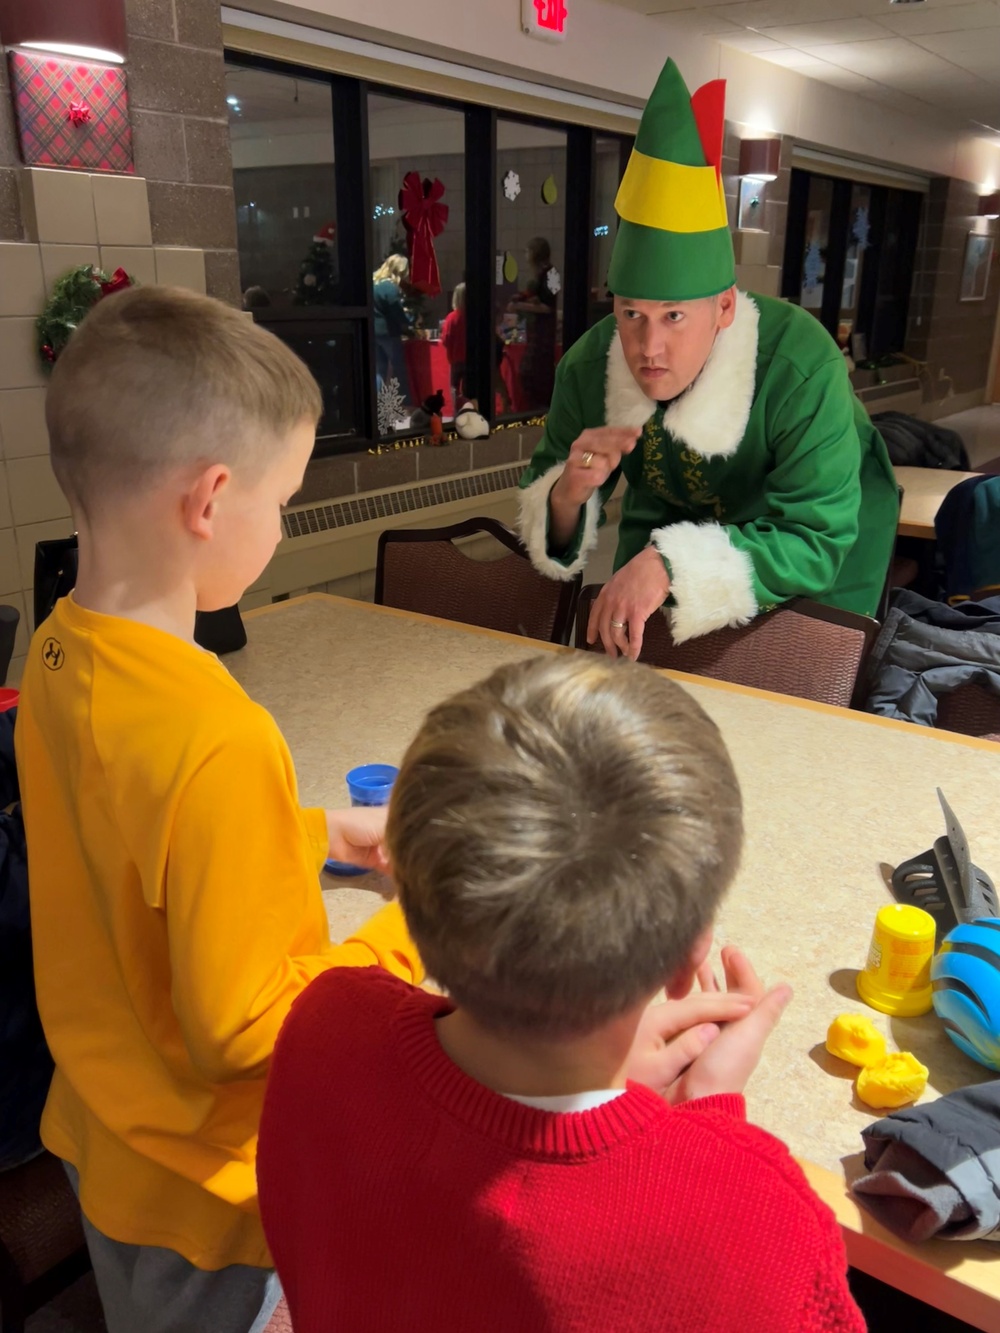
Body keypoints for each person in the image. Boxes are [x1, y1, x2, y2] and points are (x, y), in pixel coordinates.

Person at [16, 286, 423, 1333]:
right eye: (281, 499)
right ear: (209, 501)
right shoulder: (221, 736)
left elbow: (129, 850)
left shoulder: (57, 656)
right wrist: (413, 936)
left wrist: (315, 831)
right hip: (214, 1194)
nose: (282, 526)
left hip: (103, 1138)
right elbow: (246, 1030)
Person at [257, 653, 865, 1333]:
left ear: (403, 886)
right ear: (691, 953)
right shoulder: (759, 1219)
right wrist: (708, 1130)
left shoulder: (325, 1023)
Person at [518, 58, 898, 660]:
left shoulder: (799, 365)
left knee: (790, 699)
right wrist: (566, 495)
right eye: (631, 313)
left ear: (723, 308)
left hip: (817, 540)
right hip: (670, 522)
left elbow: (816, 535)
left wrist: (674, 563)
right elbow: (553, 515)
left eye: (674, 316)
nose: (649, 347)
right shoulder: (592, 366)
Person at [508, 235, 558, 409]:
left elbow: (548, 307)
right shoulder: (544, 274)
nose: (525, 254)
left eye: (528, 250)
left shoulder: (551, 274)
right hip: (538, 331)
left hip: (543, 333)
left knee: (533, 372)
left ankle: (540, 409)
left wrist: (520, 305)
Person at [372, 253, 414, 402]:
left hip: (373, 332)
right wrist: (411, 319)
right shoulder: (389, 287)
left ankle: (376, 404)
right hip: (388, 333)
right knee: (399, 368)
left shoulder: (373, 283)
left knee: (379, 370)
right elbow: (397, 312)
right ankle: (404, 402)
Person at [440, 281, 467, 411]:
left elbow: (445, 339)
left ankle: (457, 412)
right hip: (471, 359)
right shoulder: (475, 315)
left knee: (454, 388)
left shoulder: (451, 318)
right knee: (469, 388)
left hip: (455, 359)